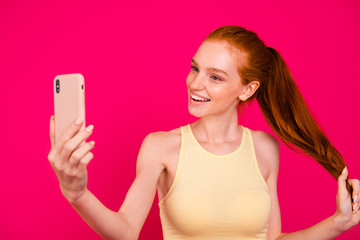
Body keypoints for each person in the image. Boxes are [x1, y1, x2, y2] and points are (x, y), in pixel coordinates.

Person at [48, 25, 360, 240]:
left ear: (247, 89)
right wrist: (77, 193)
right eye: (195, 68)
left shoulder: (264, 148)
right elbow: (126, 230)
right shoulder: (161, 147)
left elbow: (273, 238)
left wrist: (338, 223)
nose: (196, 83)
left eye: (216, 77)